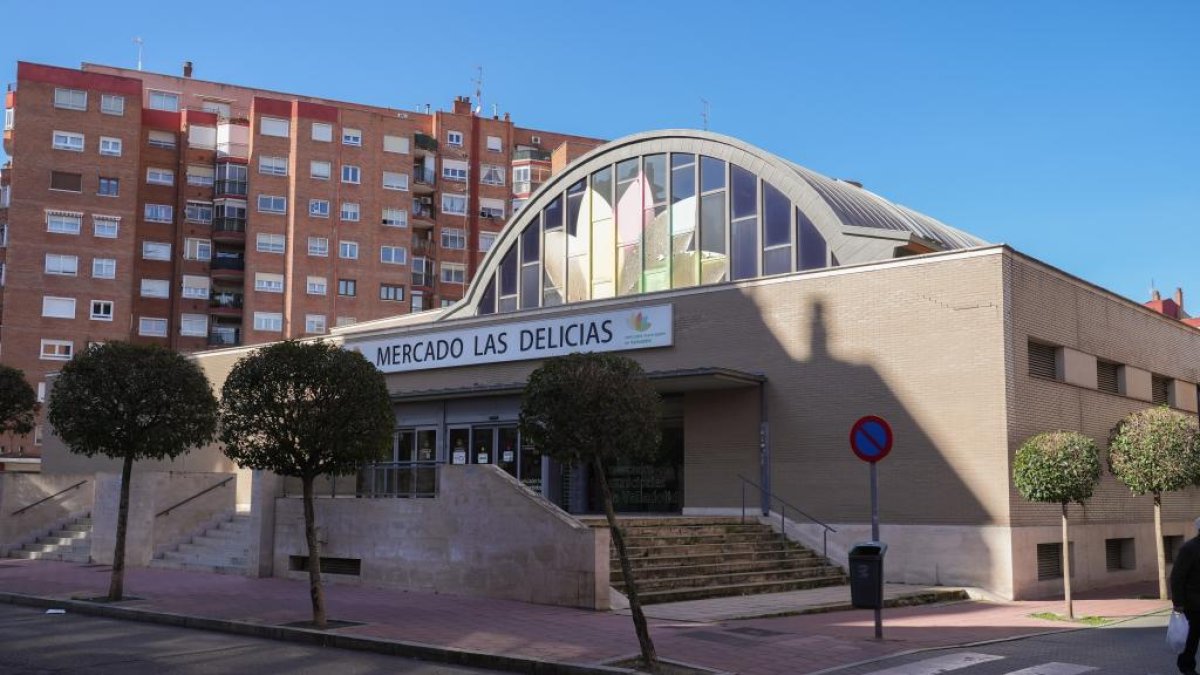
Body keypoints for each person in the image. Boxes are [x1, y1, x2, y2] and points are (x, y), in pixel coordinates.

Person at [1171, 517, 1200, 674]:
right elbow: (1177, 577)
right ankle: (1187, 667)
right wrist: (1178, 603)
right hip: (1193, 604)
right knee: (1191, 639)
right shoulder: (1189, 549)